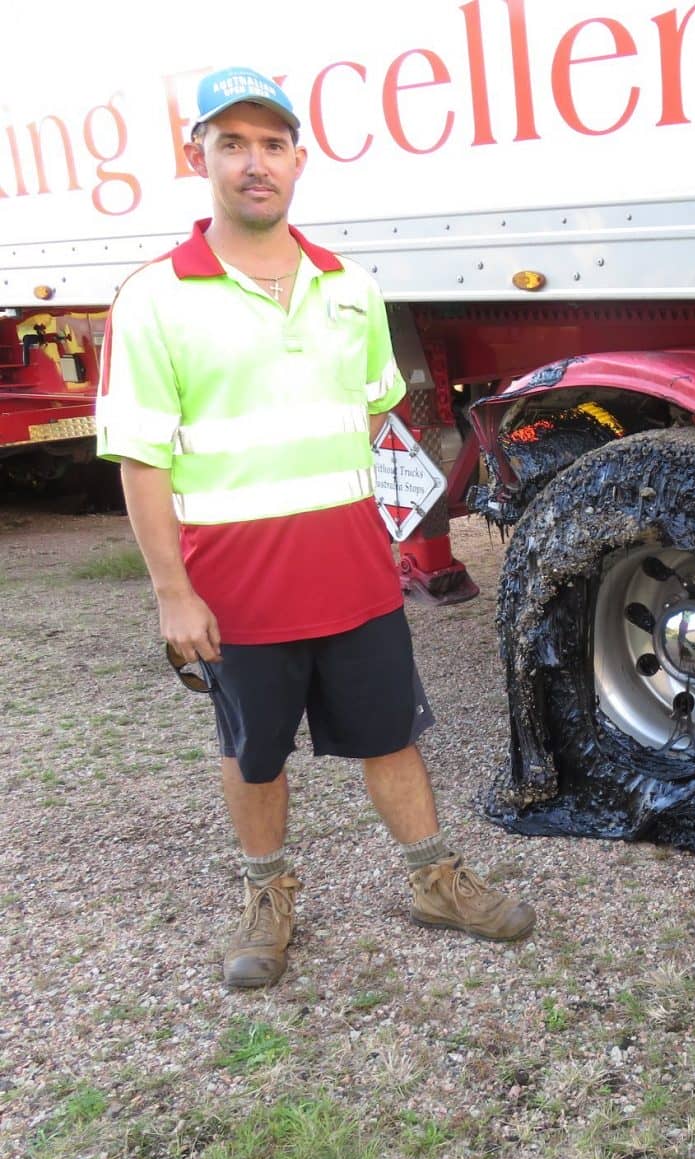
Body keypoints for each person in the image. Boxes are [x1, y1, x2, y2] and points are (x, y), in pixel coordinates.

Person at [96, 67, 535, 989]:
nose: (255, 164)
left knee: (391, 736)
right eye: (232, 144)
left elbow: (378, 421)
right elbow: (143, 459)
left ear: (299, 157)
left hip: (353, 571)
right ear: (199, 156)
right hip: (236, 584)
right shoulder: (155, 298)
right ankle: (266, 897)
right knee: (253, 753)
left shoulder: (350, 289)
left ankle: (434, 881)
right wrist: (173, 594)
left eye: (271, 144)